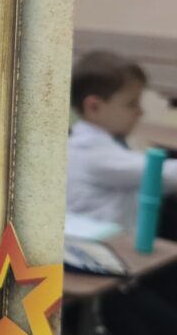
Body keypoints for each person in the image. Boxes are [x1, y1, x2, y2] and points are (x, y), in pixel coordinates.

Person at [66, 50, 177, 230]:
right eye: (131, 104)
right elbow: (160, 174)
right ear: (94, 107)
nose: (140, 112)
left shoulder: (91, 145)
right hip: (97, 245)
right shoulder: (91, 151)